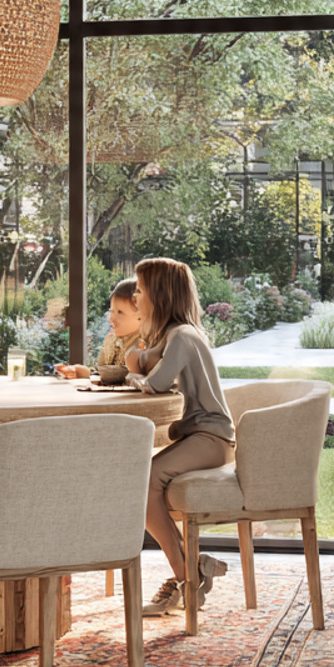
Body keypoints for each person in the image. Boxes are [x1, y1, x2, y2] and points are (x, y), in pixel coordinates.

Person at [123, 258, 234, 617]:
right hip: (203, 436)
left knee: (144, 480)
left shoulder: (182, 336)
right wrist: (140, 355)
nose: (135, 297)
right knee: (142, 478)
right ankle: (190, 570)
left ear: (159, 294)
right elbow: (149, 361)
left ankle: (186, 577)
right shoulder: (179, 334)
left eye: (139, 290)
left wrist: (131, 375)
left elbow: (154, 383)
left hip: (211, 439)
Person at [56, 276, 144, 378]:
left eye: (120, 312)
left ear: (142, 316)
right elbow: (103, 375)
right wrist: (80, 371)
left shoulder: (144, 348)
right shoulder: (111, 341)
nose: (111, 319)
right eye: (111, 311)